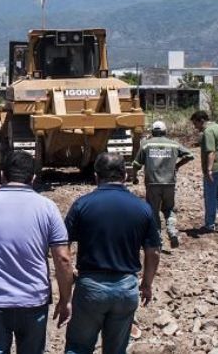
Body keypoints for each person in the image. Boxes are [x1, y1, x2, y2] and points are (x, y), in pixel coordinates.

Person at [0, 150, 73, 354]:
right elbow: (63, 259)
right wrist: (66, 299)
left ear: (2, 175)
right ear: (33, 178)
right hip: (34, 300)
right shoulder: (48, 208)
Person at [64, 152, 161, 354]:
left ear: (96, 177)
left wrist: (69, 274)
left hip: (90, 286)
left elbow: (63, 246)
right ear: (125, 176)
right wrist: (147, 284)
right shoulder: (143, 208)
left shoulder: (82, 205)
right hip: (126, 287)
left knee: (78, 347)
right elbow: (153, 252)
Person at [131, 120, 194, 248]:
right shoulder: (174, 145)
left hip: (152, 183)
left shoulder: (146, 145)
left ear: (153, 132)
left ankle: (157, 239)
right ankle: (172, 231)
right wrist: (177, 165)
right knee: (169, 209)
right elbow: (190, 155)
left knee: (153, 211)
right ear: (165, 132)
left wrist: (134, 177)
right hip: (169, 183)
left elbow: (136, 164)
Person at [190, 110, 218, 236]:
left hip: (215, 169)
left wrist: (209, 170)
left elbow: (211, 152)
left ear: (201, 120)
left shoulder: (208, 131)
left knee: (211, 198)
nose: (195, 127)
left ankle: (209, 225)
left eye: (195, 124)